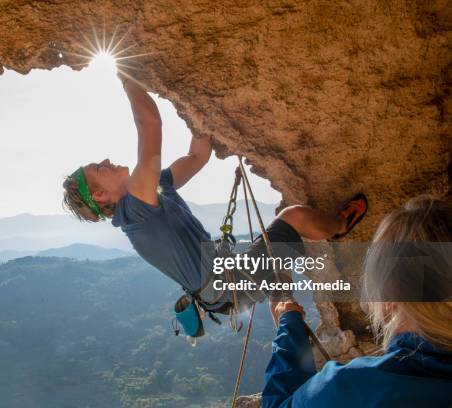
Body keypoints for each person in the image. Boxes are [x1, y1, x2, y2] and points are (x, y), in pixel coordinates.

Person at [62, 73, 368, 314]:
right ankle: (341, 226)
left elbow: (197, 157)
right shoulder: (135, 212)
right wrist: (126, 75)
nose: (105, 161)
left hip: (225, 284)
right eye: (98, 168)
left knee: (277, 254)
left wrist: (200, 114)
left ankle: (283, 297)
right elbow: (150, 124)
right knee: (295, 218)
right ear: (101, 196)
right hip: (229, 285)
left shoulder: (153, 189)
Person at [263, 195, 452, 408]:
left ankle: (341, 224)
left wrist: (289, 326)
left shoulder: (352, 388)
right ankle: (341, 223)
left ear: (391, 296)